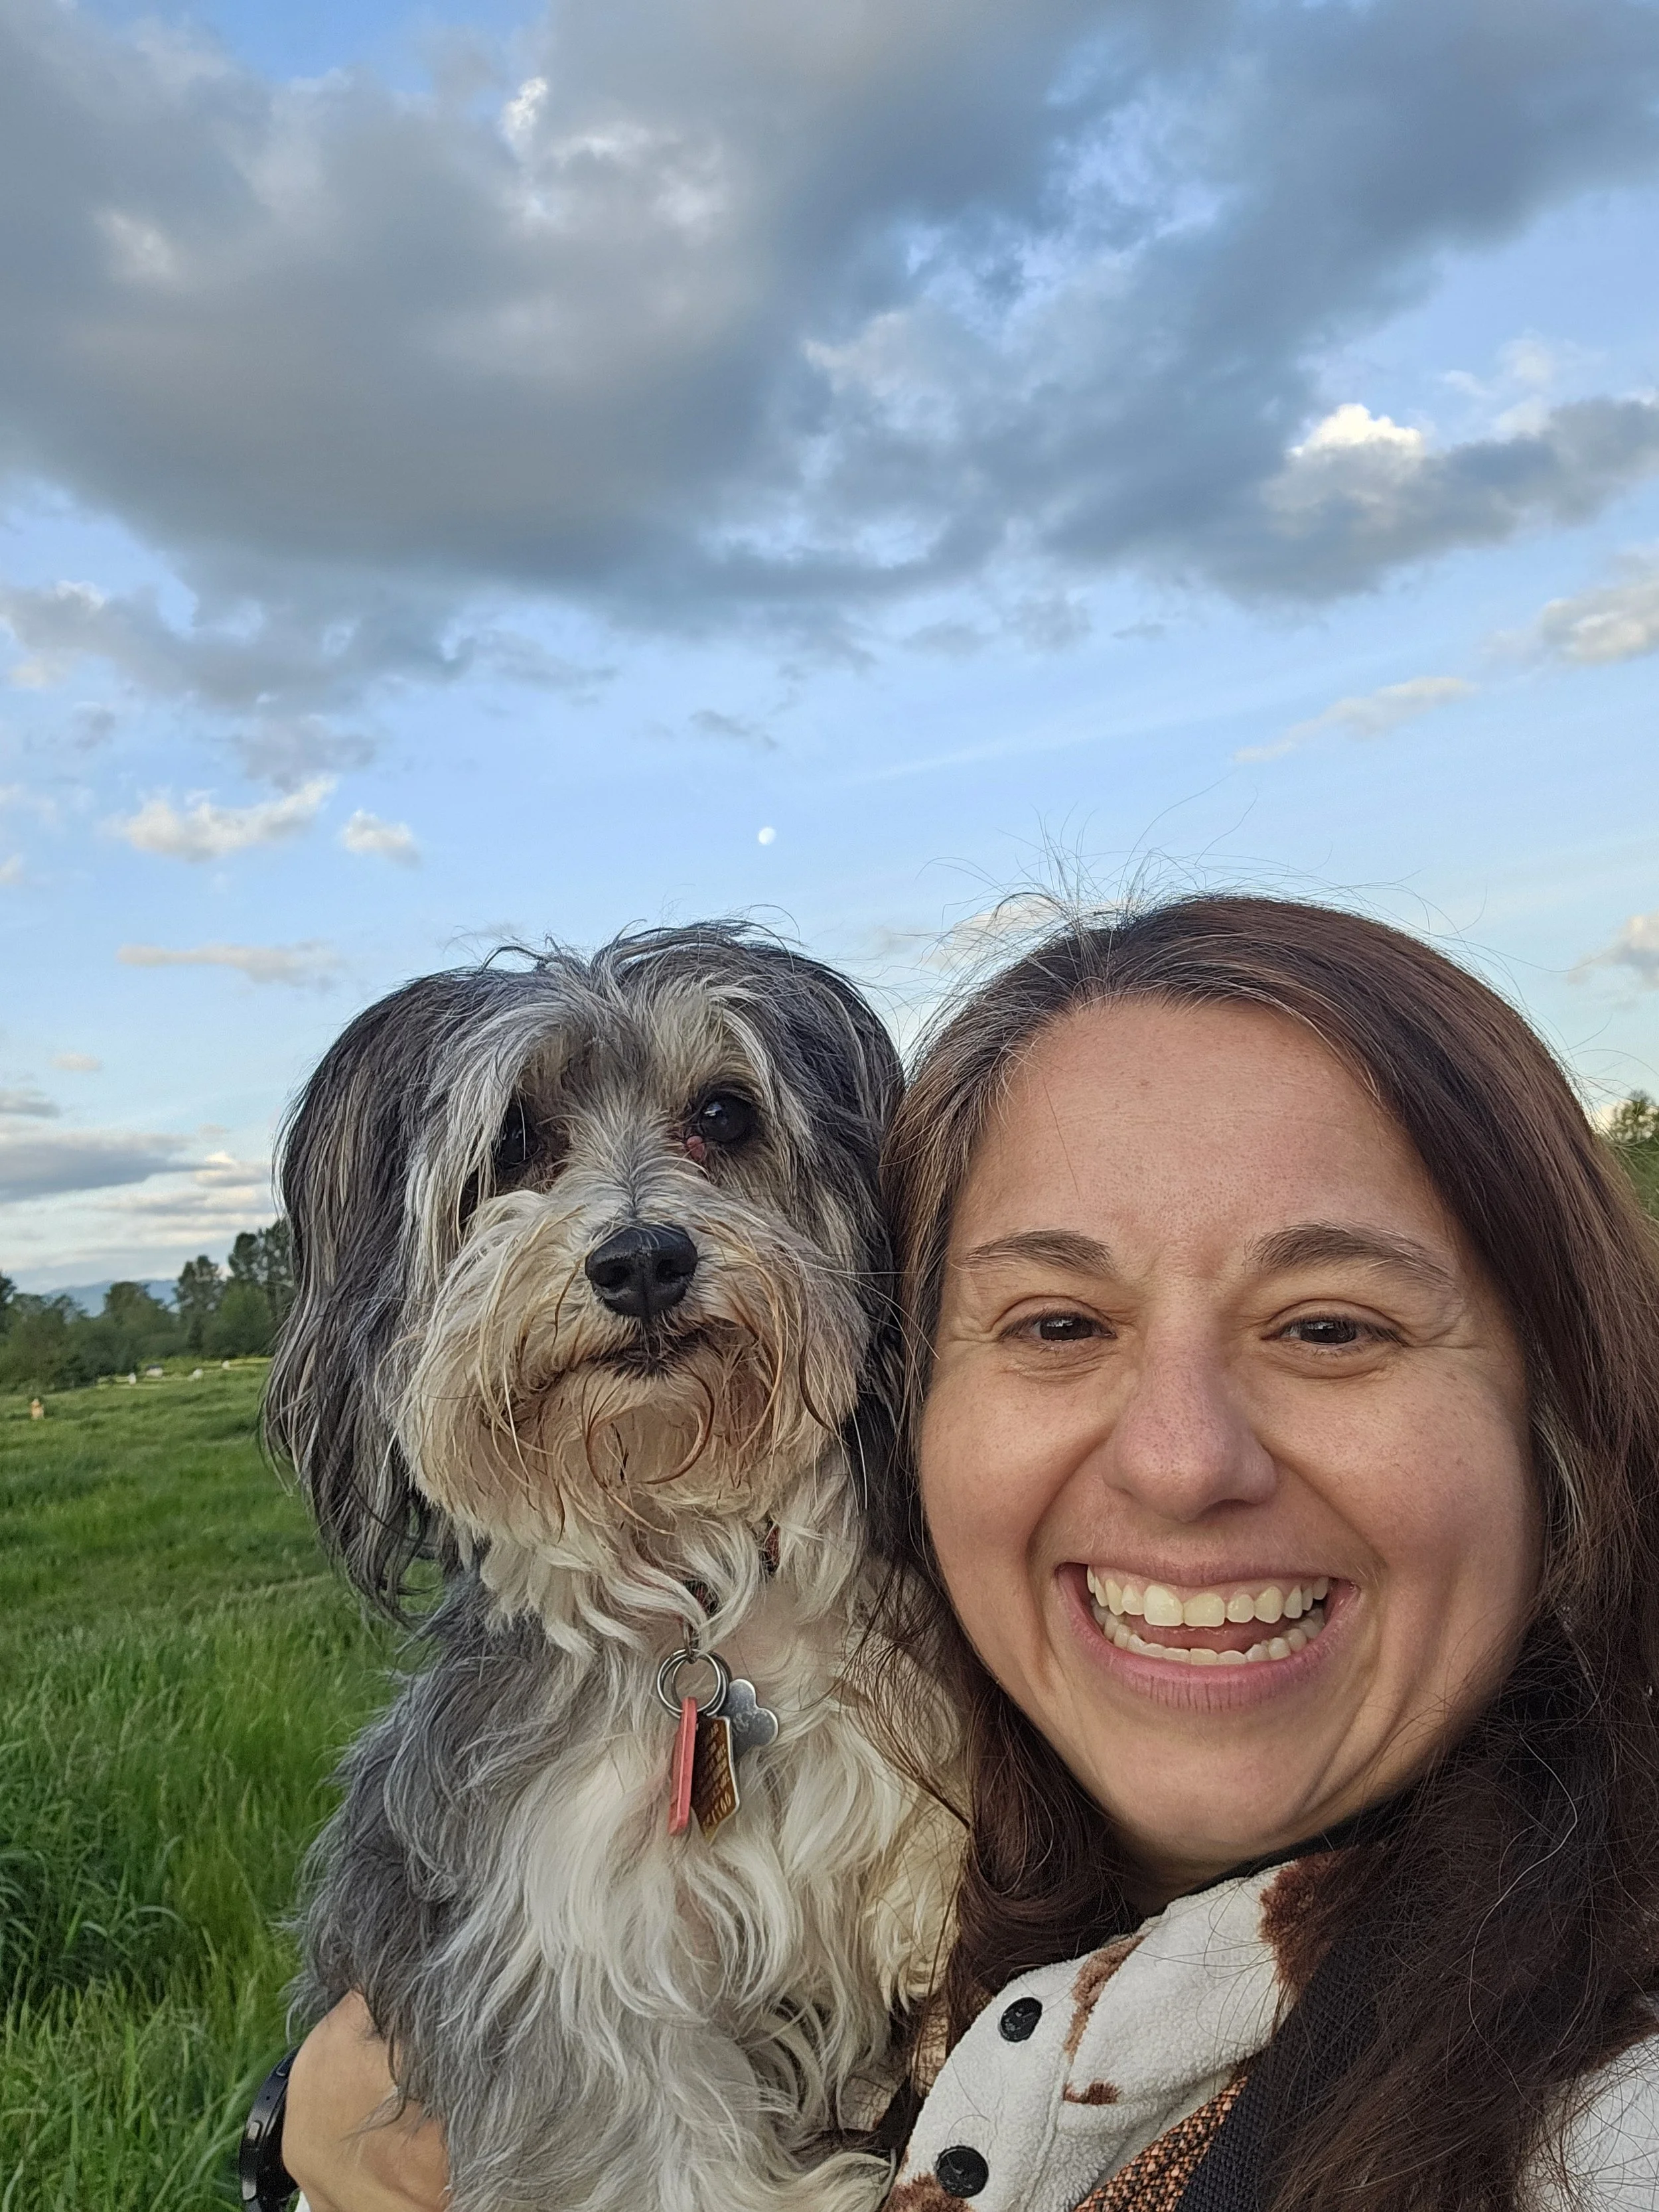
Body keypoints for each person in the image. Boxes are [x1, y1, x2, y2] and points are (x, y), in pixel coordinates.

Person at [282, 895, 1659, 2211]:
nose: (1181, 1462)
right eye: (1057, 1323)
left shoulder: (1598, 2107)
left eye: (1329, 1325)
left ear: (1560, 1384)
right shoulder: (989, 1691)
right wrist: (300, 2129)